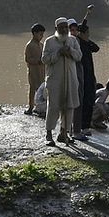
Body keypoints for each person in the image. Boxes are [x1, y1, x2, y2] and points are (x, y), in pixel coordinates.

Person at [41, 17, 82, 146]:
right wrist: (58, 53)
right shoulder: (49, 42)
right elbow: (45, 59)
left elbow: (79, 56)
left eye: (66, 27)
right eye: (61, 27)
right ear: (56, 29)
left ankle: (64, 133)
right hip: (55, 80)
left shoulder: (73, 41)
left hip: (70, 80)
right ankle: (49, 134)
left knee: (69, 107)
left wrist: (69, 51)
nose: (64, 29)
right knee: (53, 107)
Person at [72, 22, 99, 140]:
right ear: (82, 33)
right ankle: (78, 126)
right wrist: (79, 38)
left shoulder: (86, 44)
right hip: (80, 77)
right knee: (80, 102)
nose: (88, 35)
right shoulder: (76, 44)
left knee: (89, 100)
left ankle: (85, 126)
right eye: (87, 33)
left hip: (89, 76)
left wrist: (86, 40)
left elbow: (96, 48)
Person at [24, 23, 45, 115]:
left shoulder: (41, 44)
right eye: (40, 34)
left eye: (42, 34)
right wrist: (37, 61)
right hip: (33, 71)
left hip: (42, 70)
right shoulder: (29, 45)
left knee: (42, 90)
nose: (41, 36)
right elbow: (27, 59)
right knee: (33, 89)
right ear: (34, 33)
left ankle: (40, 108)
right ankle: (31, 107)